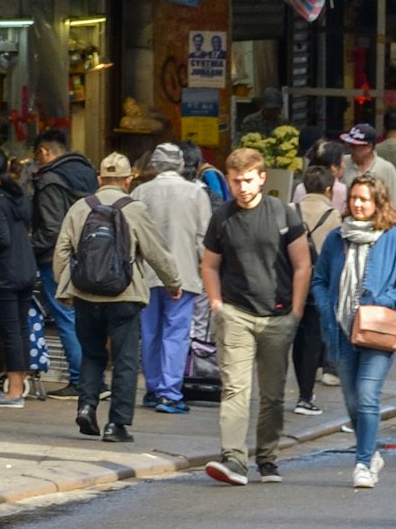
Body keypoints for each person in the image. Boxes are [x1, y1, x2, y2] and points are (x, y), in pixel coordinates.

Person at [198, 145, 312, 485]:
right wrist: (217, 305)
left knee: (273, 394)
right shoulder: (222, 217)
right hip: (235, 313)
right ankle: (233, 458)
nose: (242, 188)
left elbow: (302, 265)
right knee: (234, 389)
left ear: (262, 178)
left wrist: (295, 311)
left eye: (248, 180)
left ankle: (267, 458)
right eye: (235, 181)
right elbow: (209, 265)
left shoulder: (283, 213)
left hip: (277, 317)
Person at [53, 153, 183, 442]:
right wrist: (173, 283)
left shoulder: (79, 208)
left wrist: (67, 287)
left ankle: (87, 406)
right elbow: (156, 251)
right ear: (128, 180)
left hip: (86, 294)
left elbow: (62, 251)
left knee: (92, 353)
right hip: (124, 295)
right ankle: (117, 424)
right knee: (124, 360)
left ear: (99, 179)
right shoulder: (134, 209)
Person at [308, 169, 396, 490]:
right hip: (340, 330)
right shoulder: (336, 238)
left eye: (364, 199)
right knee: (352, 400)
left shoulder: (394, 238)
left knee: (368, 396)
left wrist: (380, 301)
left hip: (377, 331)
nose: (358, 204)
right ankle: (370, 452)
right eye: (354, 199)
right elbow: (319, 280)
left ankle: (362, 463)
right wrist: (324, 305)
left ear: (377, 203)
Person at [128, 143, 215, 416]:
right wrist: (207, 270)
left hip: (148, 274)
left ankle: (153, 389)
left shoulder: (140, 192)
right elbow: (204, 238)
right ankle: (169, 392)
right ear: (179, 164)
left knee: (150, 333)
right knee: (176, 335)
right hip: (184, 274)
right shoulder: (196, 193)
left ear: (154, 164)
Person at [28, 130, 99, 400]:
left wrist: (29, 250)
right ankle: (94, 379)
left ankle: (81, 381)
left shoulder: (50, 179)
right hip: (89, 255)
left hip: (58, 259)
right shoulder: (86, 172)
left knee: (66, 318)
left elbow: (51, 229)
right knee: (84, 318)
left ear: (45, 152)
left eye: (37, 156)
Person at [0, 147, 50, 398]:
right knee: (20, 329)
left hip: (6, 273)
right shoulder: (18, 195)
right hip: (26, 267)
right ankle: (18, 383)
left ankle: (14, 391)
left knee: (10, 331)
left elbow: (1, 238)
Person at [292, 150, 347, 410]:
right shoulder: (334, 217)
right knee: (315, 337)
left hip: (291, 284)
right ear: (329, 189)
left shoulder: (289, 211)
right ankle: (306, 395)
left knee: (297, 338)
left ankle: (301, 389)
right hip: (319, 285)